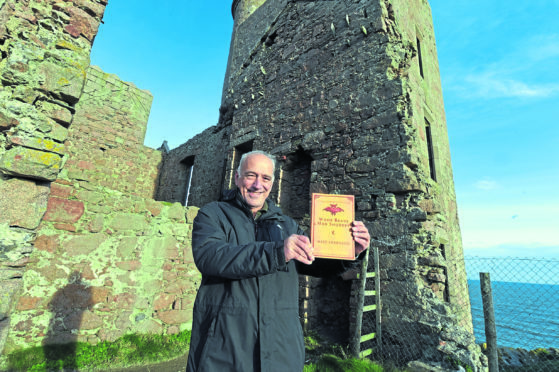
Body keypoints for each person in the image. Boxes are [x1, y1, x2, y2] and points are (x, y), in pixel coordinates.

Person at [186, 150, 370, 372]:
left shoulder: (288, 225)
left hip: (281, 350)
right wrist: (277, 251)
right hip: (224, 349)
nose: (257, 185)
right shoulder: (213, 215)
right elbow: (210, 257)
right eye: (250, 175)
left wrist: (351, 251)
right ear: (237, 178)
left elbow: (313, 260)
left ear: (273, 183)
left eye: (265, 178)